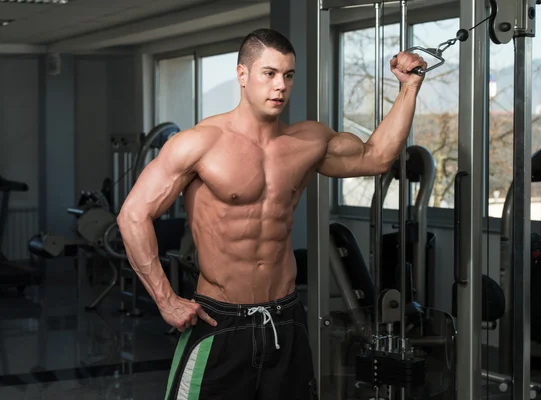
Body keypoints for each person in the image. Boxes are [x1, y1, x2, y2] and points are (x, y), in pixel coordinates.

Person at [117, 28, 426, 400]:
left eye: (288, 75)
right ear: (242, 75)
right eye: (269, 73)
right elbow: (133, 215)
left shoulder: (307, 142)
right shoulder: (199, 143)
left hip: (286, 318)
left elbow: (376, 157)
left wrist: (409, 88)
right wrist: (166, 300)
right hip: (220, 320)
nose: (280, 85)